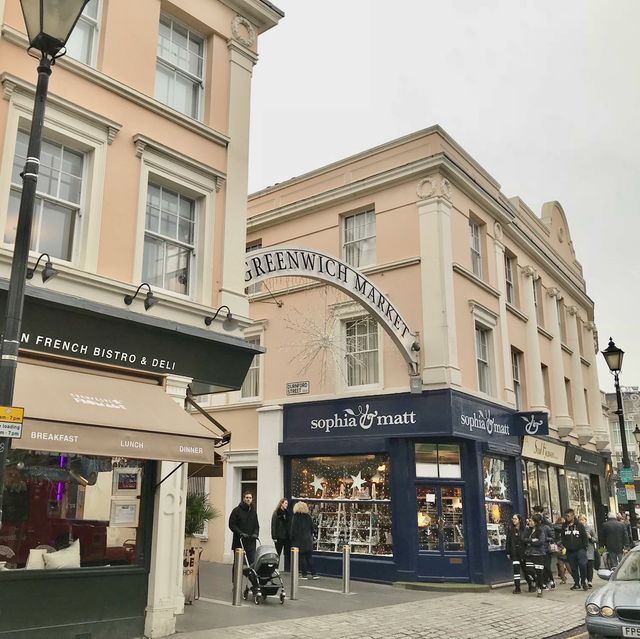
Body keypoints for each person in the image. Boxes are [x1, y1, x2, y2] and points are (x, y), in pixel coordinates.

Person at [228, 491, 259, 568]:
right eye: (247, 497)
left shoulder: (253, 512)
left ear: (252, 499)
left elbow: (256, 526)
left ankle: (253, 579)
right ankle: (235, 579)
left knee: (252, 563)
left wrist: (255, 533)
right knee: (238, 564)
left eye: (250, 498)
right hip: (239, 541)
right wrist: (240, 533)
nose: (248, 499)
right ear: (243, 499)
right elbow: (232, 524)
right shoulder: (236, 510)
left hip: (251, 542)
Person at [290, 501, 318, 579]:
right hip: (308, 540)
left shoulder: (295, 517)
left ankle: (304, 574)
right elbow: (312, 528)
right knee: (309, 557)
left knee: (302, 558)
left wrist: (292, 538)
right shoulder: (308, 517)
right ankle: (314, 573)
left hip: (299, 540)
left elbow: (293, 530)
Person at [561, 508, 588, 591]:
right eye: (566, 516)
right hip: (570, 551)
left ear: (573, 516)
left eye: (568, 516)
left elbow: (584, 536)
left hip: (580, 549)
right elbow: (563, 537)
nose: (567, 518)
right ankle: (576, 583)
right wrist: (566, 545)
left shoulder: (579, 525)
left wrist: (584, 546)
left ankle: (583, 581)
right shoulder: (564, 526)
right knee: (573, 567)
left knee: (582, 565)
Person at [532, 505, 556, 590]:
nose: (536, 514)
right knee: (540, 567)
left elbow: (553, 536)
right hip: (538, 549)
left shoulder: (547, 524)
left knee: (546, 566)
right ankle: (543, 582)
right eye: (535, 512)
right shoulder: (533, 525)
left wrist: (544, 539)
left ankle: (550, 580)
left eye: (538, 512)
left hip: (546, 548)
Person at [523, 514, 547, 597]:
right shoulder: (527, 530)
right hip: (529, 553)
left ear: (536, 522)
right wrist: (532, 540)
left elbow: (541, 542)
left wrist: (530, 542)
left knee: (539, 572)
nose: (529, 522)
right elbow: (523, 539)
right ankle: (535, 581)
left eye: (531, 521)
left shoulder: (540, 530)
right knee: (529, 570)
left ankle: (540, 589)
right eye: (529, 521)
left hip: (538, 554)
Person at [506, 513, 529, 594]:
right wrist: (508, 552)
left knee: (525, 570)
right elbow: (508, 541)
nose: (513, 520)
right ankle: (517, 587)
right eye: (513, 518)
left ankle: (531, 585)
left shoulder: (525, 529)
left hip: (523, 553)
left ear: (519, 520)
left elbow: (527, 541)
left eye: (515, 519)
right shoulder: (510, 529)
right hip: (514, 553)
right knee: (516, 570)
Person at [578, 514, 597, 588]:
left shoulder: (590, 528)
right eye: (579, 520)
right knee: (583, 566)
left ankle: (590, 581)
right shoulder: (577, 529)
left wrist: (590, 537)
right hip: (581, 550)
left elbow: (596, 539)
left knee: (589, 566)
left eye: (582, 520)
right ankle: (584, 580)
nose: (581, 521)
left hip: (589, 550)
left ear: (585, 520)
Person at [271, 498, 291, 570]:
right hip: (279, 536)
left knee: (287, 553)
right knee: (278, 553)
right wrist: (274, 537)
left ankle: (288, 569)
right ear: (281, 503)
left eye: (287, 503)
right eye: (285, 503)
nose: (286, 505)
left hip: (286, 536)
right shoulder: (276, 513)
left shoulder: (287, 513)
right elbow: (273, 525)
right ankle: (275, 568)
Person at [553, 516, 571, 584]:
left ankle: (563, 579)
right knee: (567, 563)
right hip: (564, 547)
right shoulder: (565, 528)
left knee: (560, 564)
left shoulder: (554, 528)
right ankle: (575, 577)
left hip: (558, 547)